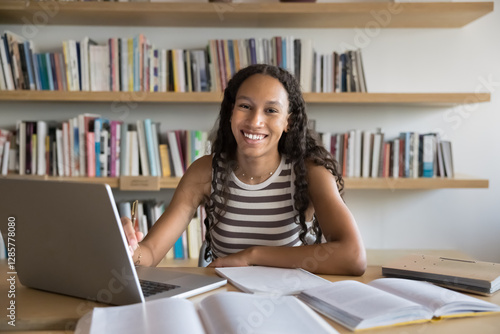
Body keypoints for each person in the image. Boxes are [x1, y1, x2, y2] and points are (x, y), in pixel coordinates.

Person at [122, 64, 366, 275]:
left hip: (290, 300)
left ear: (288, 121)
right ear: (231, 112)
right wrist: (129, 248)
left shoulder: (310, 172)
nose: (255, 121)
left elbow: (353, 256)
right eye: (245, 106)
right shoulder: (205, 172)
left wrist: (253, 256)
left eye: (271, 110)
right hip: (224, 299)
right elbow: (151, 253)